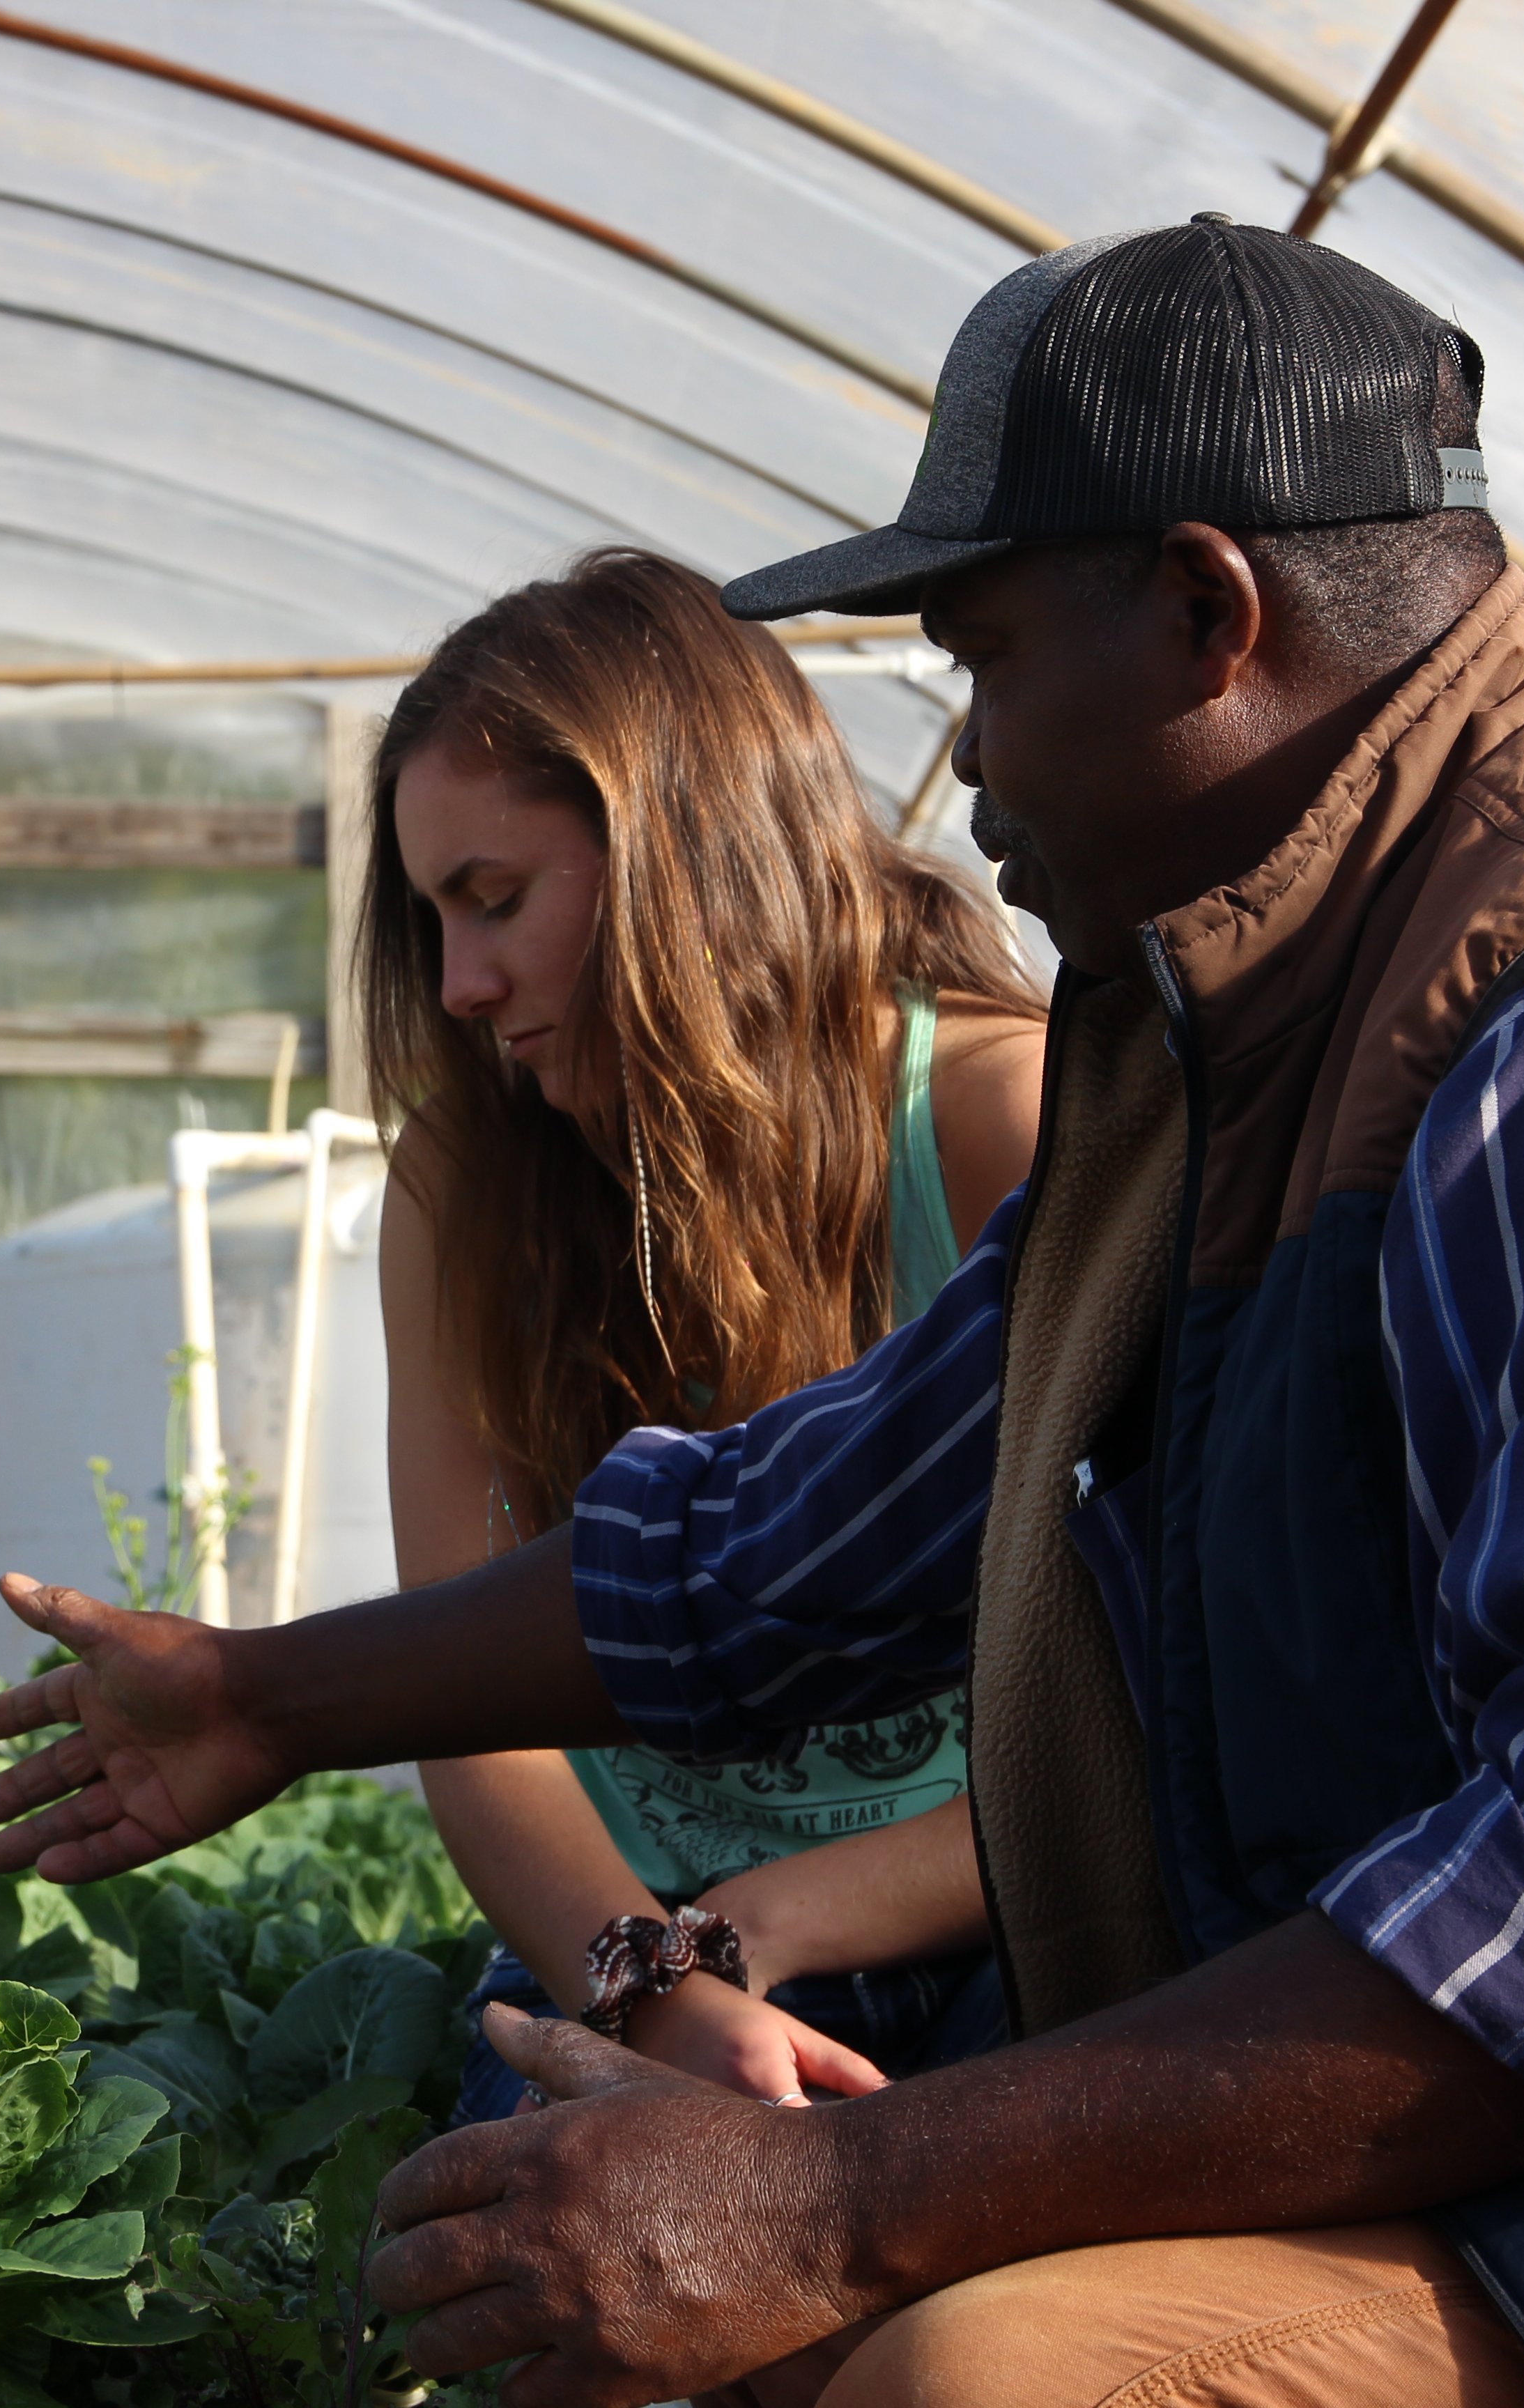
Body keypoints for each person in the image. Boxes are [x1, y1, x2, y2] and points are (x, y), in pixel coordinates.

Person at [0, 215, 1524, 2408]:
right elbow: (788, 1545)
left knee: (971, 2379)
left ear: (1210, 616)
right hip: (1512, 2114)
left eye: (988, 658)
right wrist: (272, 1698)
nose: (968, 768)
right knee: (616, 2281)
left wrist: (833, 2206)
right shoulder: (1243, 1033)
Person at [362, 548, 1041, 2115]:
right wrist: (651, 1984)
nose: (460, 987)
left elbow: (1144, 1702)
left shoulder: (1004, 1116)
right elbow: (476, 1724)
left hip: (1001, 1930)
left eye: (497, 900)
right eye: (435, 921)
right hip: (617, 1951)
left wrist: (760, 1933)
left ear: (685, 850)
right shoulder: (465, 1186)